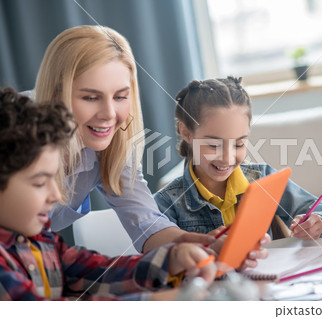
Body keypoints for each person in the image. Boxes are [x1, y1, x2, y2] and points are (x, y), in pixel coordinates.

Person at [34, 25, 267, 266]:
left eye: (120, 96)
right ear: (55, 93)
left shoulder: (111, 146)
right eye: (90, 98)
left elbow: (146, 223)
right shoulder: (16, 133)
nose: (109, 114)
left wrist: (201, 244)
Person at [0, 87, 216, 300]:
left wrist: (169, 261)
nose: (57, 195)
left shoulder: (39, 240)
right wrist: (151, 304)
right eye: (40, 183)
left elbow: (90, 273)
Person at [154, 77, 322, 241]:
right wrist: (200, 247)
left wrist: (317, 221)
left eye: (239, 144)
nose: (228, 157)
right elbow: (159, 265)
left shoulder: (263, 178)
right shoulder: (166, 202)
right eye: (214, 145)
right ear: (186, 132)